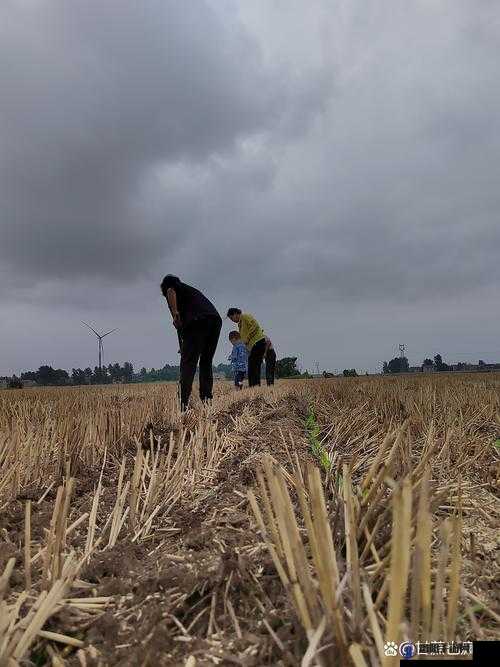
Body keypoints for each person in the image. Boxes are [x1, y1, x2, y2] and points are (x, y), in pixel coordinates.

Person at [161, 275, 222, 410]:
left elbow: (170, 291)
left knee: (188, 362)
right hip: (214, 320)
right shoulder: (189, 292)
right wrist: (185, 345)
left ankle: (183, 403)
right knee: (206, 361)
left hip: (197, 321)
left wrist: (175, 313)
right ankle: (207, 400)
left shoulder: (172, 289)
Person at [226, 308, 266, 387]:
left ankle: (254, 387)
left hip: (257, 343)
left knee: (253, 367)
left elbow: (255, 325)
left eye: (231, 318)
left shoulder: (244, 316)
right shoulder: (240, 324)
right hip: (253, 346)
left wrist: (247, 338)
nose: (232, 320)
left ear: (235, 314)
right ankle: (254, 387)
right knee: (252, 368)